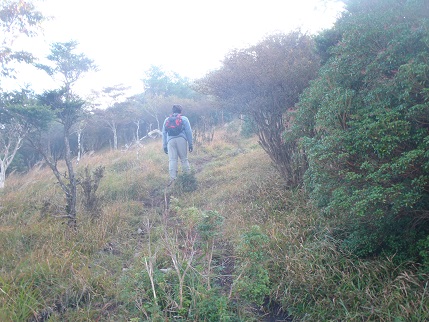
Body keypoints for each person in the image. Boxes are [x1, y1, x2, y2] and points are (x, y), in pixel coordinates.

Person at [162, 104, 193, 185]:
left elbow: (164, 133)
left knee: (172, 160)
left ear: (173, 111)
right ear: (181, 111)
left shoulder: (166, 120)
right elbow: (188, 132)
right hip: (181, 139)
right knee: (184, 159)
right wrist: (190, 144)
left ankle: (173, 180)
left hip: (170, 141)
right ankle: (187, 178)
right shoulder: (184, 119)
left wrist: (164, 145)